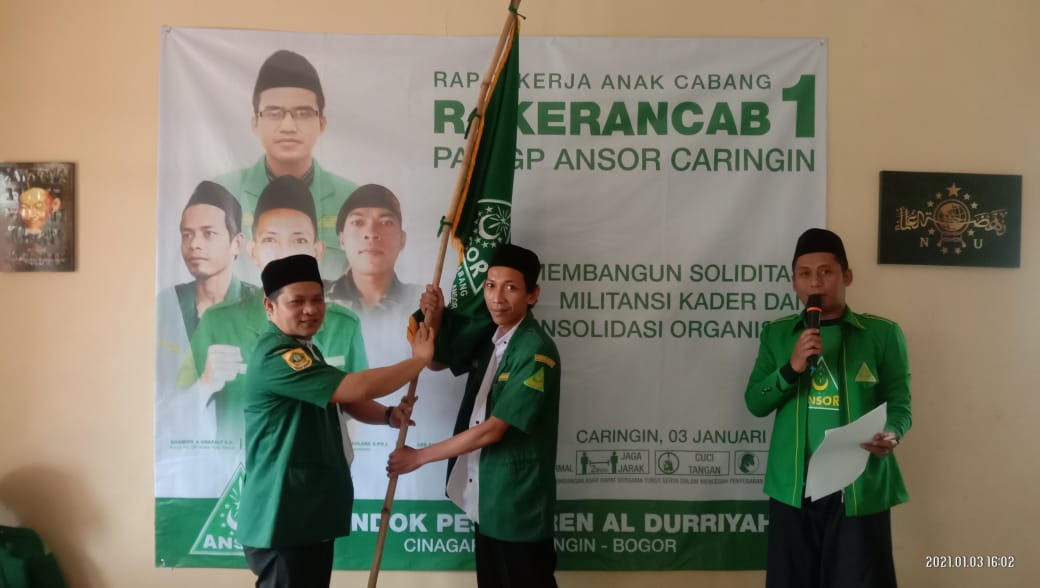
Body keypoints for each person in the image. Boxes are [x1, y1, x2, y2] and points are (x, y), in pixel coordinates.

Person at [238, 253, 434, 588]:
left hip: (308, 512)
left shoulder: (306, 349)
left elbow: (341, 398)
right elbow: (354, 386)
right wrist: (418, 362)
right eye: (297, 302)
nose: (310, 310)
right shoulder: (278, 354)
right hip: (282, 515)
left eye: (317, 300)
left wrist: (388, 415)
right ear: (270, 306)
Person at [743, 228, 912, 588]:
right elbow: (756, 402)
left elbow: (900, 405)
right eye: (804, 274)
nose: (815, 282)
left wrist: (892, 433)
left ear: (847, 276)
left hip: (858, 487)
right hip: (793, 490)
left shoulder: (882, 334)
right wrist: (791, 368)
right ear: (794, 282)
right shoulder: (777, 334)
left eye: (826, 272)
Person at [388, 243, 562, 587]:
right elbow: (438, 363)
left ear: (532, 294)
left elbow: (493, 430)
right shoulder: (493, 339)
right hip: (487, 497)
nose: (497, 298)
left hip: (517, 502)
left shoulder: (535, 349)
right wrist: (436, 316)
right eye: (491, 285)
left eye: (511, 288)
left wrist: (420, 456)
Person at [190, 176, 388, 448]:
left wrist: (389, 415)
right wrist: (204, 384)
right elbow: (177, 412)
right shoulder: (218, 323)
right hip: (251, 469)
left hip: (322, 463)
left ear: (317, 250)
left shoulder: (344, 326)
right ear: (253, 250)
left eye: (298, 240)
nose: (284, 253)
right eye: (271, 240)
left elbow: (356, 400)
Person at [218, 49, 356, 281]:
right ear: (255, 123)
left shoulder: (352, 201)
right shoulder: (222, 194)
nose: (288, 127)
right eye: (274, 113)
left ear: (322, 123)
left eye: (302, 113)